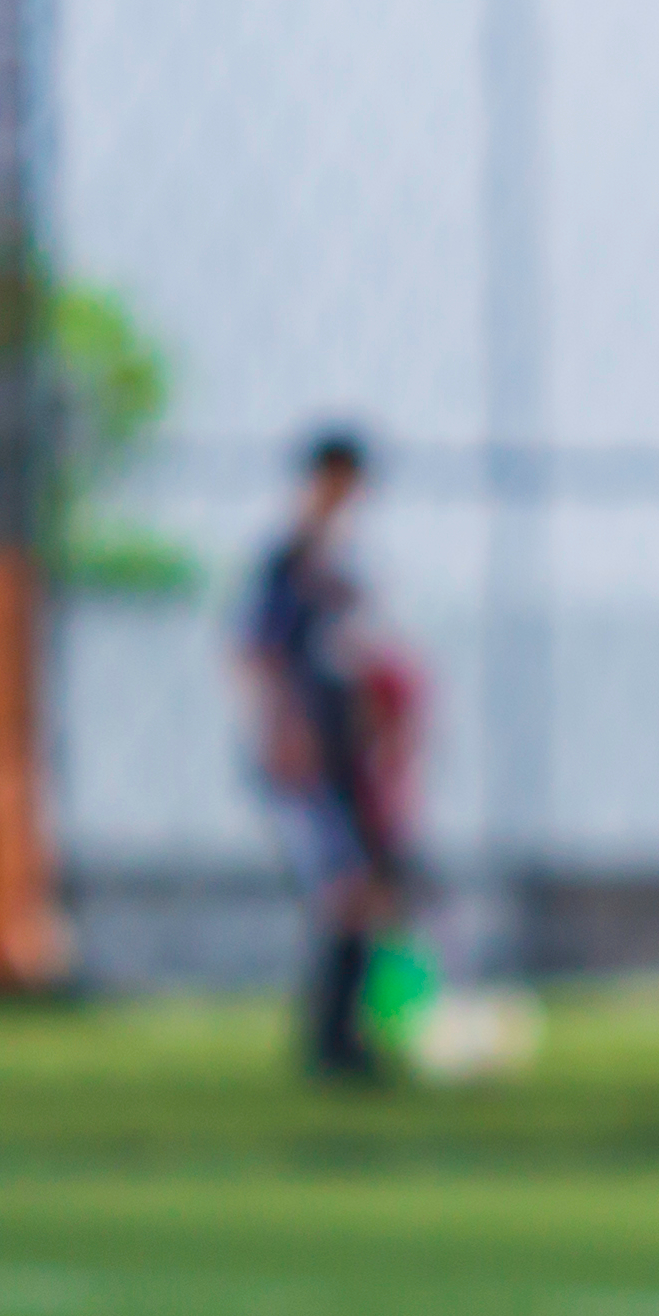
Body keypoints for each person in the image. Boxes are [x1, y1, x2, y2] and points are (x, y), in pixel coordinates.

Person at [237, 428, 409, 1084]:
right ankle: (332, 1044)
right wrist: (285, 727)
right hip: (305, 748)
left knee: (362, 891)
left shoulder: (337, 563)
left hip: (339, 746)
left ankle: (345, 1037)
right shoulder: (288, 561)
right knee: (344, 890)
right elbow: (257, 652)